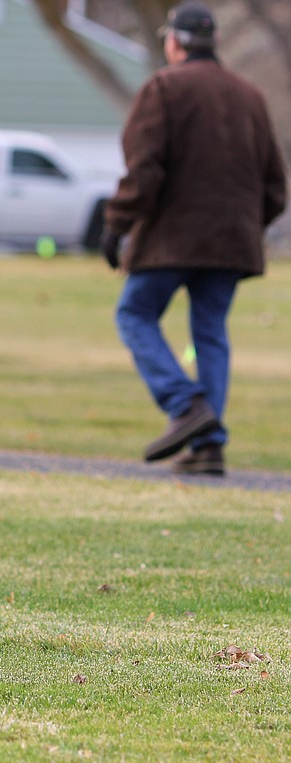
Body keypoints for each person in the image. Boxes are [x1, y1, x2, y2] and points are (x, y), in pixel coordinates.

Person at [102, 1, 286, 476]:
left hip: (171, 240)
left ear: (174, 42)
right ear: (216, 42)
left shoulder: (164, 88)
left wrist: (116, 224)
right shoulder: (249, 95)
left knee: (135, 312)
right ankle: (208, 445)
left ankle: (185, 405)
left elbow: (143, 172)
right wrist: (245, 225)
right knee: (210, 335)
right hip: (231, 244)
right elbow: (275, 186)